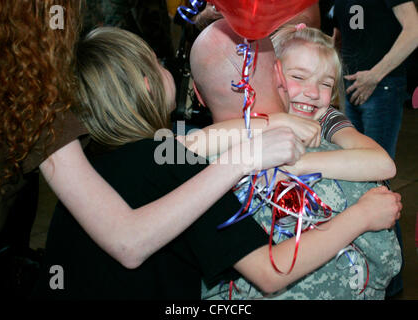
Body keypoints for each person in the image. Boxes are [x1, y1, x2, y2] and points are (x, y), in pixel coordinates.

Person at [34, 25, 401, 300]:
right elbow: (270, 271)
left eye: (325, 83)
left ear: (197, 92)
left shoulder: (83, 173)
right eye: (158, 64)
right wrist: (360, 216)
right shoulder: (185, 170)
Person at [0, 0, 303, 290]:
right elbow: (269, 270)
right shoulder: (171, 164)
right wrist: (245, 157)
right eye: (157, 62)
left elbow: (178, 147)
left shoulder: (98, 158)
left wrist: (266, 127)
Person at [189, 19, 401, 299]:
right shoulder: (211, 145)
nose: (311, 92)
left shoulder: (325, 119)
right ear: (277, 75)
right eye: (298, 78)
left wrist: (298, 164)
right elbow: (385, 260)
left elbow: (384, 163)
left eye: (325, 83)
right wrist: (275, 121)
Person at [333, 0, 418, 297]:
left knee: (377, 182)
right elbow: (342, 34)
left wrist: (375, 74)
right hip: (353, 88)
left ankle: (392, 282)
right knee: (358, 185)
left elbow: (415, 30)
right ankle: (371, 272)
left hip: (381, 88)